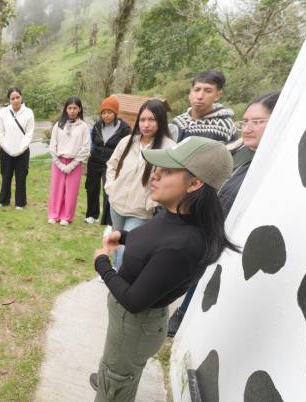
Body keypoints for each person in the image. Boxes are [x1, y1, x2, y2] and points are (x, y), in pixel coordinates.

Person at [89, 136, 237, 402]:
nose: (154, 175)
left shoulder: (183, 245)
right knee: (115, 372)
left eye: (167, 171)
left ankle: (113, 382)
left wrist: (102, 265)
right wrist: (124, 237)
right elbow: (153, 241)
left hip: (134, 325)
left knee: (116, 384)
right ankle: (112, 376)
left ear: (194, 183)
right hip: (128, 327)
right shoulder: (173, 213)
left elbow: (134, 301)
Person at [167, 91, 280, 337]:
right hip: (216, 235)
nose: (248, 128)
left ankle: (183, 317)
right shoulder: (247, 160)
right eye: (246, 122)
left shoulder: (274, 168)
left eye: (257, 122)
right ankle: (182, 314)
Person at [104, 99, 175, 271]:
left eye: (152, 119)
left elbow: (171, 180)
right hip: (117, 204)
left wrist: (152, 202)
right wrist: (111, 188)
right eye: (142, 120)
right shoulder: (128, 141)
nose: (146, 125)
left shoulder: (169, 148)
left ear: (161, 120)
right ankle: (115, 269)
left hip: (141, 211)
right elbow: (112, 165)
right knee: (116, 241)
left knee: (128, 250)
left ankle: (119, 282)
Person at [85, 95, 131, 226]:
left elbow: (128, 146)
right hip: (95, 160)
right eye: (103, 113)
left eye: (109, 112)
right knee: (91, 187)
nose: (106, 115)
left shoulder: (124, 128)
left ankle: (108, 218)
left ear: (115, 113)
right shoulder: (97, 126)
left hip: (112, 163)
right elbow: (92, 141)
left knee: (108, 189)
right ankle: (91, 215)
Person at [47, 96, 90, 225]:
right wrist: (59, 163)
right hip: (58, 162)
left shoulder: (83, 126)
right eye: (69, 108)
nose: (72, 111)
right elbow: (52, 146)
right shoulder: (58, 125)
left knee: (71, 191)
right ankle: (54, 215)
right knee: (56, 189)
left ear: (79, 109)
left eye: (75, 108)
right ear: (66, 109)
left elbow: (86, 148)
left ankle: (66, 216)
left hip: (75, 163)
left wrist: (72, 165)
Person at [170, 70, 237, 144]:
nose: (200, 96)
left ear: (218, 95)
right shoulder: (177, 122)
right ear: (190, 92)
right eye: (197, 90)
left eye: (208, 91)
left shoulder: (225, 126)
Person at [0, 87, 34, 209]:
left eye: (18, 97)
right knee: (6, 176)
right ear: (9, 100)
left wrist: (21, 149)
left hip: (22, 151)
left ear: (21, 97)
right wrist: (7, 148)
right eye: (13, 98)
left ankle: (20, 202)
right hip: (6, 151)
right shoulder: (3, 112)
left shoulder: (28, 113)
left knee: (21, 177)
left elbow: (29, 133)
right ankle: (3, 200)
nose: (16, 100)